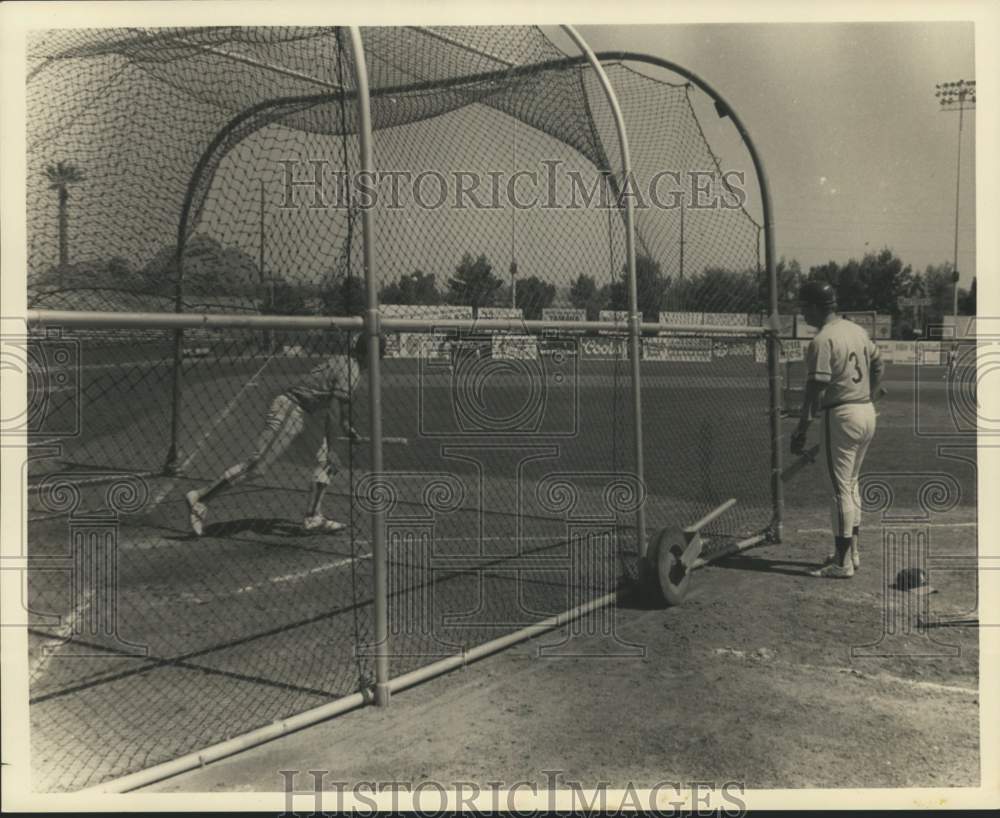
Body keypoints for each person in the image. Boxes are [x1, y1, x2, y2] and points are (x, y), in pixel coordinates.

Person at [185, 332, 383, 536]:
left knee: (327, 463)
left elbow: (337, 408)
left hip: (307, 413)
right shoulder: (352, 370)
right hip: (291, 407)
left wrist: (346, 426)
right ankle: (200, 499)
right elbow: (333, 411)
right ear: (371, 355)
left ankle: (313, 517)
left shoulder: (346, 363)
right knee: (258, 466)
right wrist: (333, 447)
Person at [791, 281, 884, 578]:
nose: (803, 313)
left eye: (805, 307)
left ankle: (842, 563)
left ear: (818, 307)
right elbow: (878, 363)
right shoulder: (855, 329)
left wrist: (801, 429)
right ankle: (851, 553)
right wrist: (872, 390)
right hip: (866, 411)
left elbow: (814, 391)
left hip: (842, 415)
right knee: (851, 482)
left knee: (839, 488)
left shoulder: (823, 340)